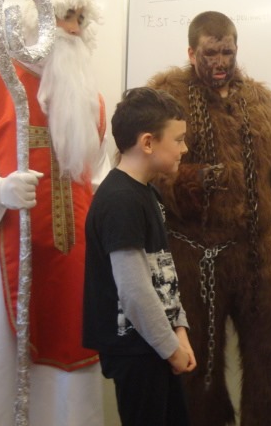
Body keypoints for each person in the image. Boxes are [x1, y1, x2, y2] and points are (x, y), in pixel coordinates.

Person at [0, 0, 109, 425]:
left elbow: (99, 178)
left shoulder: (91, 102)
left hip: (75, 265)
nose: (73, 28)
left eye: (80, 18)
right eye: (64, 15)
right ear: (33, 18)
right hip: (0, 261)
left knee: (69, 383)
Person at [148, 10, 271, 426]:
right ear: (192, 53)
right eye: (211, 53)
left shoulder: (259, 101)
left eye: (227, 52)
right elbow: (143, 166)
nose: (220, 62)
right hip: (193, 250)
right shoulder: (164, 98)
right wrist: (192, 180)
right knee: (195, 364)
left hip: (260, 247)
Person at [83, 87, 196, 426]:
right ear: (148, 143)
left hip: (156, 343)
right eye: (178, 140)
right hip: (135, 350)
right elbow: (134, 291)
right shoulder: (120, 200)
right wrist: (171, 348)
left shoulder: (147, 193)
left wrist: (179, 329)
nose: (184, 149)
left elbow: (162, 273)